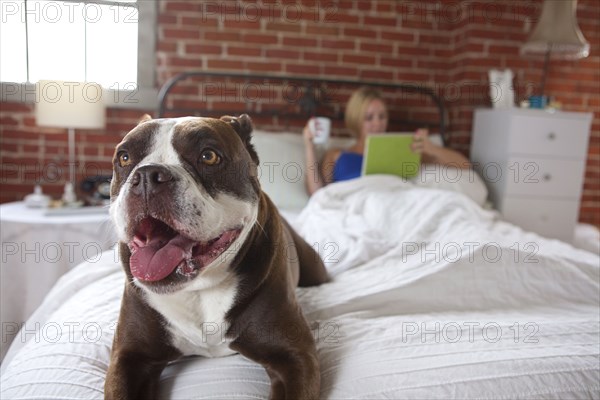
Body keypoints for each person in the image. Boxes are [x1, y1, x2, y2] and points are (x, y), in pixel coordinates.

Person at [303, 86, 471, 195]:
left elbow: (464, 165)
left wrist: (431, 148)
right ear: (356, 119)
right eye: (369, 118)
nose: (377, 123)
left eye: (382, 116)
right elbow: (316, 195)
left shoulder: (404, 149)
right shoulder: (336, 155)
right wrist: (309, 146)